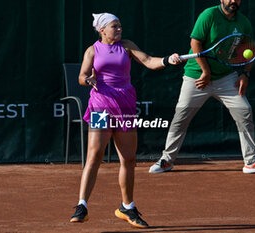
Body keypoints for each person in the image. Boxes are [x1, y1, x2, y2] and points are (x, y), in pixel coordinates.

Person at [69, 13, 181, 228]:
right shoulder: (92, 50)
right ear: (102, 30)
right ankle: (81, 206)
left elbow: (149, 61)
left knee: (128, 159)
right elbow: (82, 76)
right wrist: (87, 79)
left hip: (126, 106)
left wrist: (167, 60)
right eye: (114, 26)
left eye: (120, 26)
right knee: (95, 154)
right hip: (101, 106)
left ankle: (127, 207)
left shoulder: (127, 46)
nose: (119, 29)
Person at [149, 0, 255, 174]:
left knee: (244, 111)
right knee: (181, 117)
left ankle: (251, 161)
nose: (233, 1)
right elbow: (196, 43)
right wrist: (206, 72)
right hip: (197, 77)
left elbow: (250, 49)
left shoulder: (244, 22)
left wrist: (245, 74)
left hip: (225, 78)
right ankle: (166, 160)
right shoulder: (208, 15)